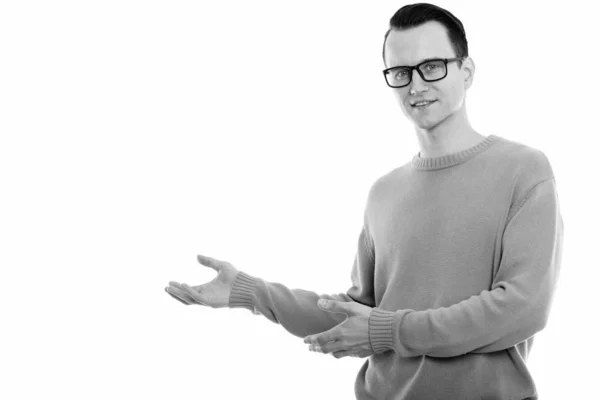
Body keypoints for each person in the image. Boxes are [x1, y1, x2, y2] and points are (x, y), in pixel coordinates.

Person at [165, 3, 563, 399]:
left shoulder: (523, 170)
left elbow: (521, 308)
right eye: (401, 72)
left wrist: (389, 330)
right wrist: (251, 292)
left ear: (467, 71)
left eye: (432, 66)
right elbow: (358, 314)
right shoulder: (384, 193)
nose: (416, 85)